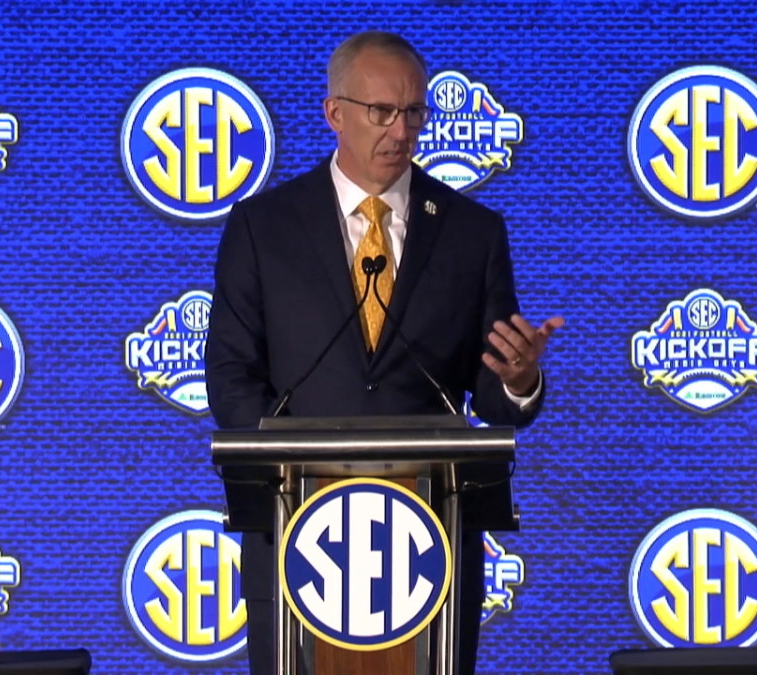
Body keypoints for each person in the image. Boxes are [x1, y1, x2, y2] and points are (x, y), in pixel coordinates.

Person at [205, 30, 563, 675]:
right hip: (297, 539)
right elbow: (231, 376)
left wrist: (516, 380)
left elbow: (487, 396)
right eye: (382, 112)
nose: (400, 131)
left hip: (430, 540)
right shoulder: (263, 227)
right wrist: (285, 463)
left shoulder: (471, 233)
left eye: (414, 112)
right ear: (334, 113)